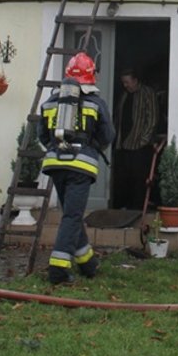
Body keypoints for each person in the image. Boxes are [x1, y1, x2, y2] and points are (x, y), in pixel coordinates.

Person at [39, 52, 115, 285]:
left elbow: (42, 136)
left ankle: (87, 263)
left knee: (71, 213)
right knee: (72, 215)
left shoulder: (50, 102)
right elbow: (108, 135)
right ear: (91, 76)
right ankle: (58, 269)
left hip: (55, 165)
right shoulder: (96, 103)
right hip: (81, 167)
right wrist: (90, 148)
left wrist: (57, 149)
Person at [112, 68, 159, 210]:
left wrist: (143, 140)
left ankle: (137, 208)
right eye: (123, 82)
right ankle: (124, 206)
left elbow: (152, 118)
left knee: (139, 178)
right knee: (123, 177)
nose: (125, 85)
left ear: (135, 80)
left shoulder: (147, 93)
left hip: (140, 145)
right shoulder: (124, 95)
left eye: (127, 82)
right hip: (123, 143)